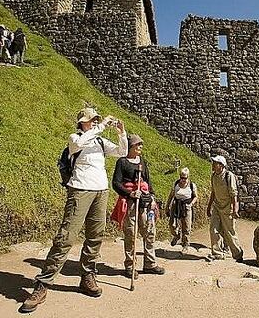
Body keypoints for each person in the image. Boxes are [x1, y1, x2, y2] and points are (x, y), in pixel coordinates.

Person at [21, 108, 127, 313]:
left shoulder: (99, 142)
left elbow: (122, 152)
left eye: (96, 119)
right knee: (66, 237)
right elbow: (78, 144)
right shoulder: (75, 138)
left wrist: (121, 132)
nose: (95, 122)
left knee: (95, 236)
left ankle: (87, 276)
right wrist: (103, 125)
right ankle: (43, 284)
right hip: (80, 190)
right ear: (82, 123)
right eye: (92, 120)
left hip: (101, 191)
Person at [112, 134, 166, 279]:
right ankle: (130, 266)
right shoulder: (122, 162)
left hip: (145, 201)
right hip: (130, 203)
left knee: (149, 232)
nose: (140, 147)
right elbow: (116, 183)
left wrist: (152, 196)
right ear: (131, 147)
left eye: (140, 145)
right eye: (138, 145)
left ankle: (150, 263)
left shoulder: (142, 161)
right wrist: (129, 193)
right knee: (130, 234)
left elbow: (148, 180)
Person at [206, 155, 244, 262]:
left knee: (229, 232)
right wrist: (209, 207)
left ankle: (238, 254)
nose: (213, 165)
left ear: (221, 166)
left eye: (215, 163)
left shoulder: (229, 176)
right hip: (217, 206)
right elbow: (213, 192)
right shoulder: (213, 176)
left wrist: (235, 209)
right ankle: (217, 253)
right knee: (213, 229)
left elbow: (234, 194)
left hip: (228, 208)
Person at [166, 167, 197, 255]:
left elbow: (195, 196)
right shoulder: (176, 184)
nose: (183, 180)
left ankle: (185, 245)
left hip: (186, 206)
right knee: (172, 224)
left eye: (185, 178)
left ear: (188, 177)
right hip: (176, 205)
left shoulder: (192, 185)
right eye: (181, 177)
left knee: (186, 227)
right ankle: (176, 235)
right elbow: (171, 195)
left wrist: (191, 204)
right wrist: (167, 206)